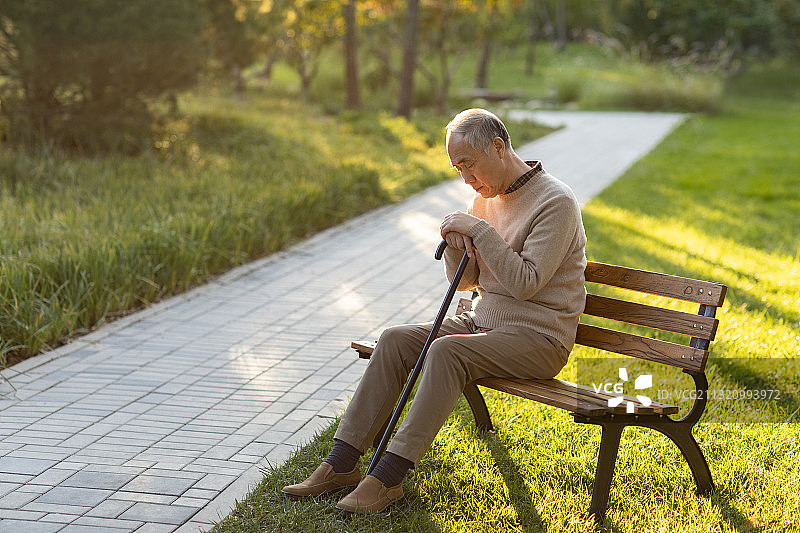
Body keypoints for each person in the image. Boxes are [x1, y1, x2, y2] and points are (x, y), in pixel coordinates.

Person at [282, 108, 587, 513]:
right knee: (395, 339)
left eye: (469, 164)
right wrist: (458, 244)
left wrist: (479, 231)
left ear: (498, 147)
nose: (466, 178)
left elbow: (525, 283)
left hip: (539, 339)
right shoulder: (484, 199)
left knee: (447, 350)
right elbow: (466, 282)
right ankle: (341, 464)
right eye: (457, 168)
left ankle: (387, 480)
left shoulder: (556, 201)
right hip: (482, 324)